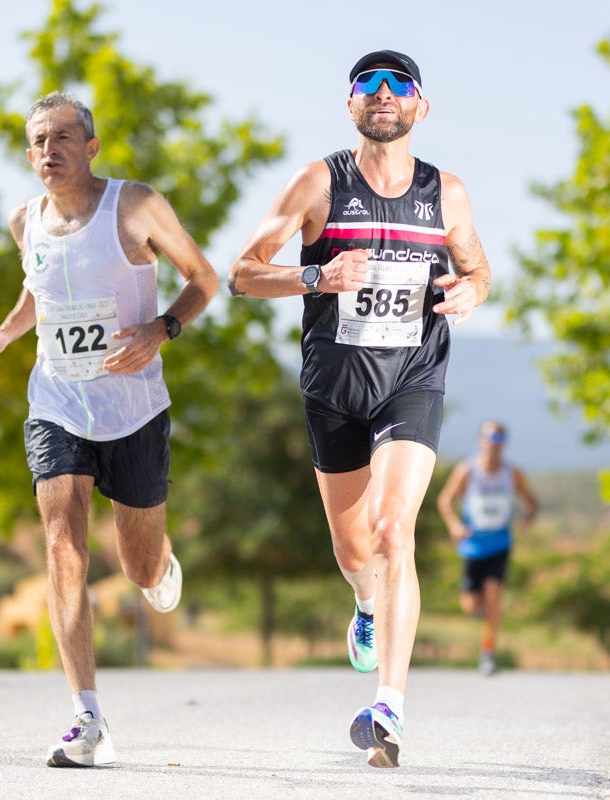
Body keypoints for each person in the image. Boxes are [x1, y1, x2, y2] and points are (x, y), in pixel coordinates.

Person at [227, 49, 492, 768]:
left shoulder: (448, 193)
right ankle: (366, 606)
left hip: (413, 378)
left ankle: (389, 707)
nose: (382, 94)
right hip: (336, 390)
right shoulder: (318, 183)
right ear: (350, 106)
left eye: (398, 83)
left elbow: (477, 267)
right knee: (354, 553)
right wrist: (317, 274)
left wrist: (474, 291)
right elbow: (243, 273)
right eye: (366, 85)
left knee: (391, 530)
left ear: (420, 107)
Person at [0, 91, 218, 767]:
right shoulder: (24, 220)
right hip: (57, 402)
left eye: (63, 137)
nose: (49, 150)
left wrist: (160, 329)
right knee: (62, 546)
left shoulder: (133, 205)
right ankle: (87, 716)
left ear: (91, 145)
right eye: (38, 141)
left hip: (133, 409)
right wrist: (3, 332)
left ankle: (158, 564)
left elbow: (203, 278)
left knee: (136, 567)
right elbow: (38, 290)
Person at [437, 421, 538, 675]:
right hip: (472, 546)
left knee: (494, 595)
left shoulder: (511, 473)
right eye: (489, 440)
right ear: (480, 441)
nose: (493, 446)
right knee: (470, 607)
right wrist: (454, 525)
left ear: (503, 444)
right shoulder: (467, 471)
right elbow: (445, 500)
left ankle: (488, 652)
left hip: (499, 543)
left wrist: (527, 518)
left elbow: (531, 501)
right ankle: (485, 613)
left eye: (498, 441)